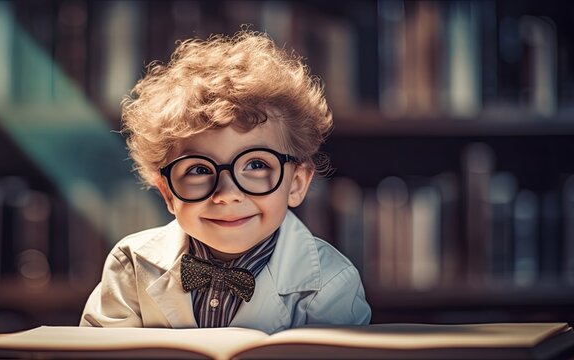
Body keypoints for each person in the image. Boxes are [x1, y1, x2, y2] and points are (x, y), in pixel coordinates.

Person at [80, 30, 371, 333]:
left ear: (296, 183)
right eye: (198, 170)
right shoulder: (131, 265)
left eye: (256, 165)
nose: (227, 194)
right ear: (167, 192)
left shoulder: (332, 282)